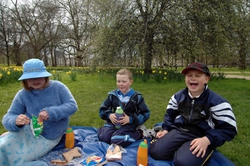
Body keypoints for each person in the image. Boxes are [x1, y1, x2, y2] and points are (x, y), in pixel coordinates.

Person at [149, 62, 237, 166]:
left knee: (184, 162)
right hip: (180, 130)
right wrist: (166, 129)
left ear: (206, 79)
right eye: (189, 75)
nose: (192, 78)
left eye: (198, 76)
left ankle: (202, 149)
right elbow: (170, 115)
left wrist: (208, 140)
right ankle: (180, 147)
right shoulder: (178, 97)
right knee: (155, 151)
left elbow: (229, 129)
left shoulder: (218, 102)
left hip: (201, 135)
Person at [0, 58, 78, 166]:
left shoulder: (58, 87)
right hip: (28, 131)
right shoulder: (22, 95)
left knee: (20, 156)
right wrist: (15, 121)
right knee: (2, 146)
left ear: (46, 76)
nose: (35, 80)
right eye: (30, 78)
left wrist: (51, 112)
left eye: (39, 76)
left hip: (50, 136)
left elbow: (72, 106)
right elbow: (9, 116)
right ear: (25, 80)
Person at [97, 69, 150, 147]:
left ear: (131, 82)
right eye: (118, 81)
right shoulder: (112, 95)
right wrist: (109, 115)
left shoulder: (137, 97)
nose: (121, 84)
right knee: (103, 138)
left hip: (129, 124)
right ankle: (109, 131)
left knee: (116, 141)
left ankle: (140, 132)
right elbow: (102, 110)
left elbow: (145, 114)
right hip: (115, 123)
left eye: (124, 81)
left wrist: (130, 119)